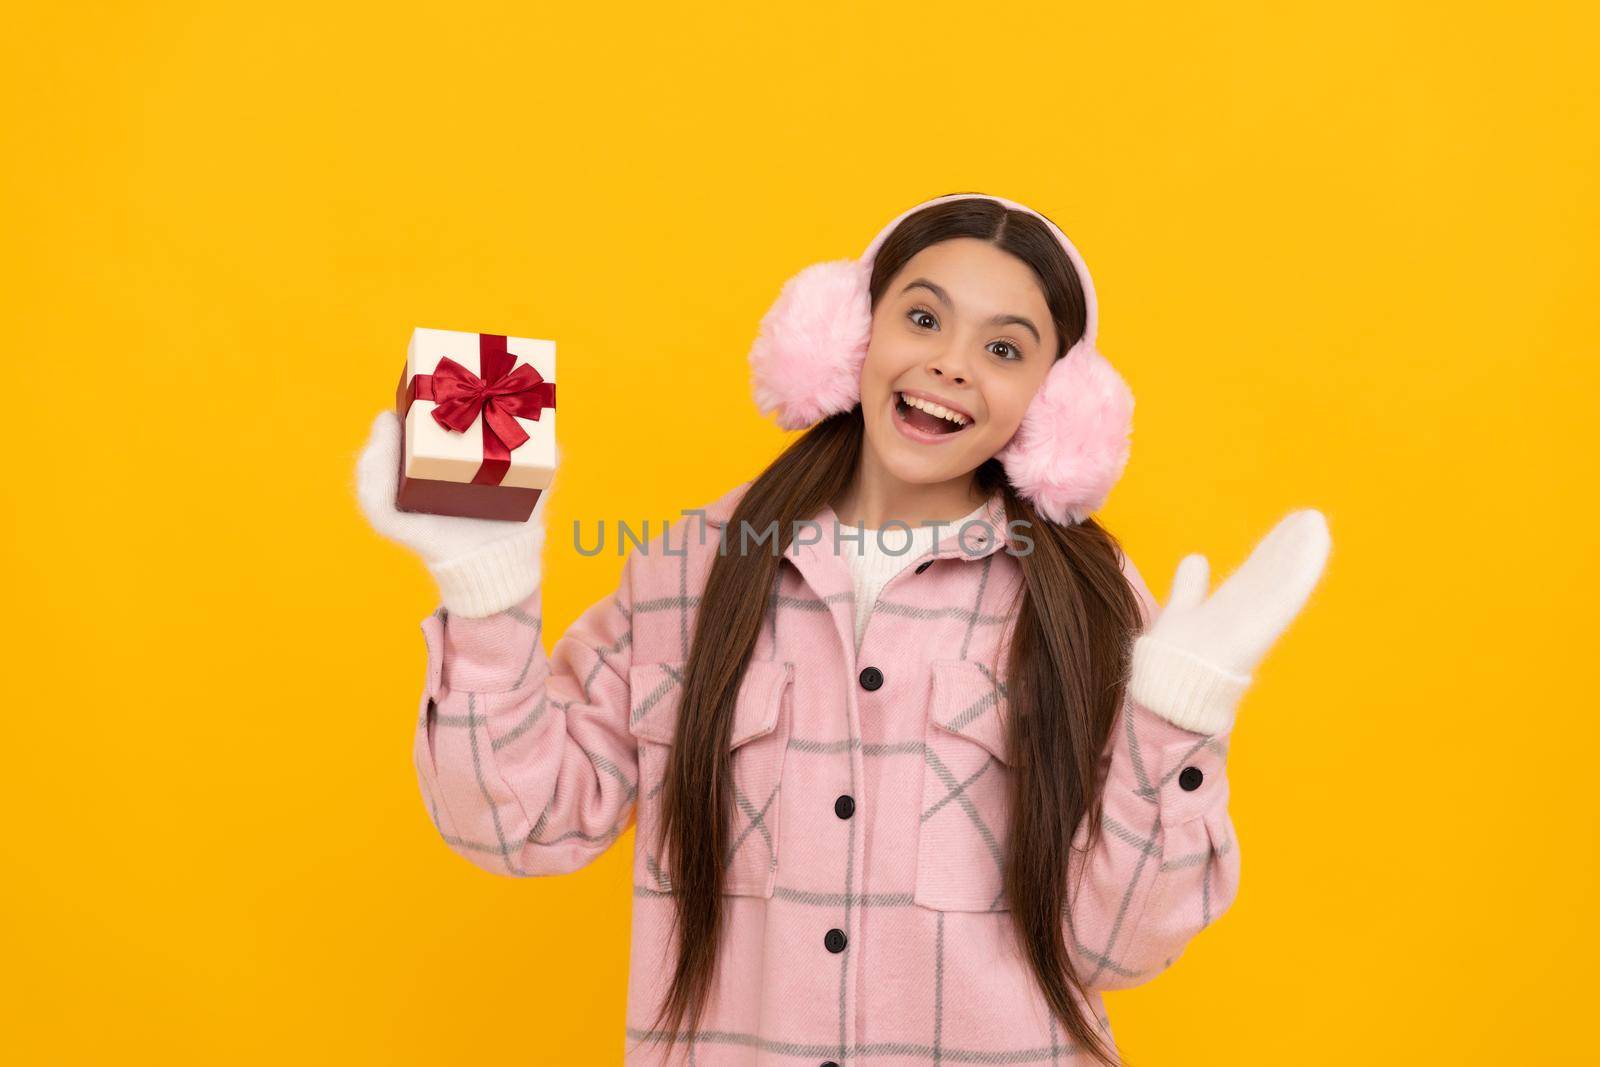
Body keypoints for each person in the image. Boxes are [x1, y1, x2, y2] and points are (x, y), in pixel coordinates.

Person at [354, 192, 1332, 1066]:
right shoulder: (691, 564)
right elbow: (522, 824)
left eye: (1004, 347)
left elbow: (1115, 944)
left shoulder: (1084, 600)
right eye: (920, 316)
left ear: (1057, 405)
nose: (949, 362)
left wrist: (1180, 714)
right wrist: (485, 588)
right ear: (847, 337)